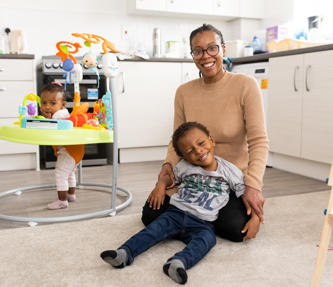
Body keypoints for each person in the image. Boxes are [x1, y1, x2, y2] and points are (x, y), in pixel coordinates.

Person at [142, 23, 269, 242]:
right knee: (150, 214)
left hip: (232, 179)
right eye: (198, 51)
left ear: (223, 50)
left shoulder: (246, 85)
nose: (205, 56)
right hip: (195, 177)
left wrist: (253, 186)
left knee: (237, 230)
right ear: (192, 55)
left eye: (212, 48)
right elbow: (176, 141)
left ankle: (193, 218)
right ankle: (199, 220)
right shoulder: (183, 92)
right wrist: (166, 171)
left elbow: (259, 141)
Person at [101, 122, 259, 285]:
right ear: (184, 157)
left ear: (211, 141)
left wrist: (255, 218)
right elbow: (169, 177)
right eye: (190, 151)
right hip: (175, 214)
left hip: (203, 223)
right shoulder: (184, 166)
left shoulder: (229, 170)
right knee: (151, 231)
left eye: (201, 143)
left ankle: (177, 263)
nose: (198, 151)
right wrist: (160, 185)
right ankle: (124, 254)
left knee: (207, 240)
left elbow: (246, 195)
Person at [40, 81, 84, 210]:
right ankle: (70, 195)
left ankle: (62, 201)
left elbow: (52, 126)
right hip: (75, 150)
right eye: (44, 103)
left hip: (68, 151)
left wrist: (47, 119)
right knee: (69, 173)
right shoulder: (63, 112)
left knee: (60, 173)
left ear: (63, 105)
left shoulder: (59, 115)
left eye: (52, 103)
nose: (47, 107)